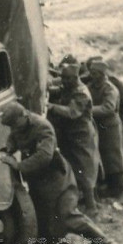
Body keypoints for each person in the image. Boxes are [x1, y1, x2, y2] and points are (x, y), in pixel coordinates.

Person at [0, 102, 110, 244]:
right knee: (43, 218)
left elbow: (44, 156)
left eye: (14, 124)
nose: (12, 129)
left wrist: (19, 166)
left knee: (67, 215)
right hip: (38, 180)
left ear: (24, 116)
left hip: (57, 178)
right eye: (10, 126)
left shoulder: (42, 127)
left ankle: (102, 240)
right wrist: (8, 150)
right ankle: (49, 241)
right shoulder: (19, 126)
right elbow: (13, 139)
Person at [46, 63, 100, 214]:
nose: (63, 81)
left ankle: (91, 206)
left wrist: (51, 106)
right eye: (62, 78)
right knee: (73, 166)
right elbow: (58, 91)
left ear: (75, 78)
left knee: (85, 167)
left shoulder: (81, 92)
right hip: (70, 134)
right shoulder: (69, 87)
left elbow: (72, 112)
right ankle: (82, 200)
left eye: (67, 79)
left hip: (82, 134)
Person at [86, 59, 123, 198]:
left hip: (110, 126)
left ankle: (121, 188)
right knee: (102, 156)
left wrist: (86, 110)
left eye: (95, 73)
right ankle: (110, 186)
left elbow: (108, 108)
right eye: (91, 73)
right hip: (98, 125)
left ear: (102, 74)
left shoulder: (110, 88)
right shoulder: (91, 86)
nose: (92, 76)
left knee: (114, 157)